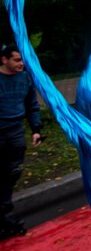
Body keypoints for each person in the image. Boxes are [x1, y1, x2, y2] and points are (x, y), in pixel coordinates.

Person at [0, 45, 42, 238]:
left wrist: (35, 130)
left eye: (22, 60)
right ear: (4, 60)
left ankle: (4, 214)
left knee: (12, 172)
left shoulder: (24, 79)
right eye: (17, 60)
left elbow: (32, 105)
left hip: (16, 131)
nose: (21, 64)